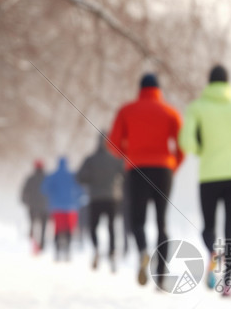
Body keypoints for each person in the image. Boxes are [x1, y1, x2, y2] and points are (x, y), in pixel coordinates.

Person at [179, 65, 231, 297]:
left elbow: (186, 142)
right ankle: (227, 284)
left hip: (209, 174)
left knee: (209, 226)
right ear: (227, 83)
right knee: (230, 229)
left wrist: (201, 149)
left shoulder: (197, 108)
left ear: (209, 82)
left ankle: (214, 252)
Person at [108, 73, 184, 286]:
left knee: (137, 220)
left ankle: (143, 250)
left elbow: (112, 144)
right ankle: (160, 275)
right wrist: (172, 165)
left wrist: (128, 154)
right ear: (158, 89)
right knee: (162, 222)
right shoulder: (171, 112)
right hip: (163, 170)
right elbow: (182, 146)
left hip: (137, 168)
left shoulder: (126, 110)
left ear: (140, 89)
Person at [77, 133, 125, 272]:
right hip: (112, 198)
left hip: (95, 198)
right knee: (111, 227)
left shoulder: (90, 159)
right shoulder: (116, 159)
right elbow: (125, 174)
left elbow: (80, 177)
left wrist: (91, 180)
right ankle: (112, 253)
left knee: (93, 226)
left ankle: (96, 248)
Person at [42, 156, 83, 262]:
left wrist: (52, 196)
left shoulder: (53, 176)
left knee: (57, 229)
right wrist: (78, 201)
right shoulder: (72, 176)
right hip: (71, 208)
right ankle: (68, 250)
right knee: (69, 229)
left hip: (57, 208)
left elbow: (44, 189)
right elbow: (80, 190)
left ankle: (57, 251)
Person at [20, 159, 49, 254]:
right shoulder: (47, 178)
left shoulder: (30, 178)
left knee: (33, 223)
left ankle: (33, 241)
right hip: (45, 207)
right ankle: (42, 244)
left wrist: (25, 202)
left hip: (32, 206)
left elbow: (24, 192)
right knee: (44, 226)